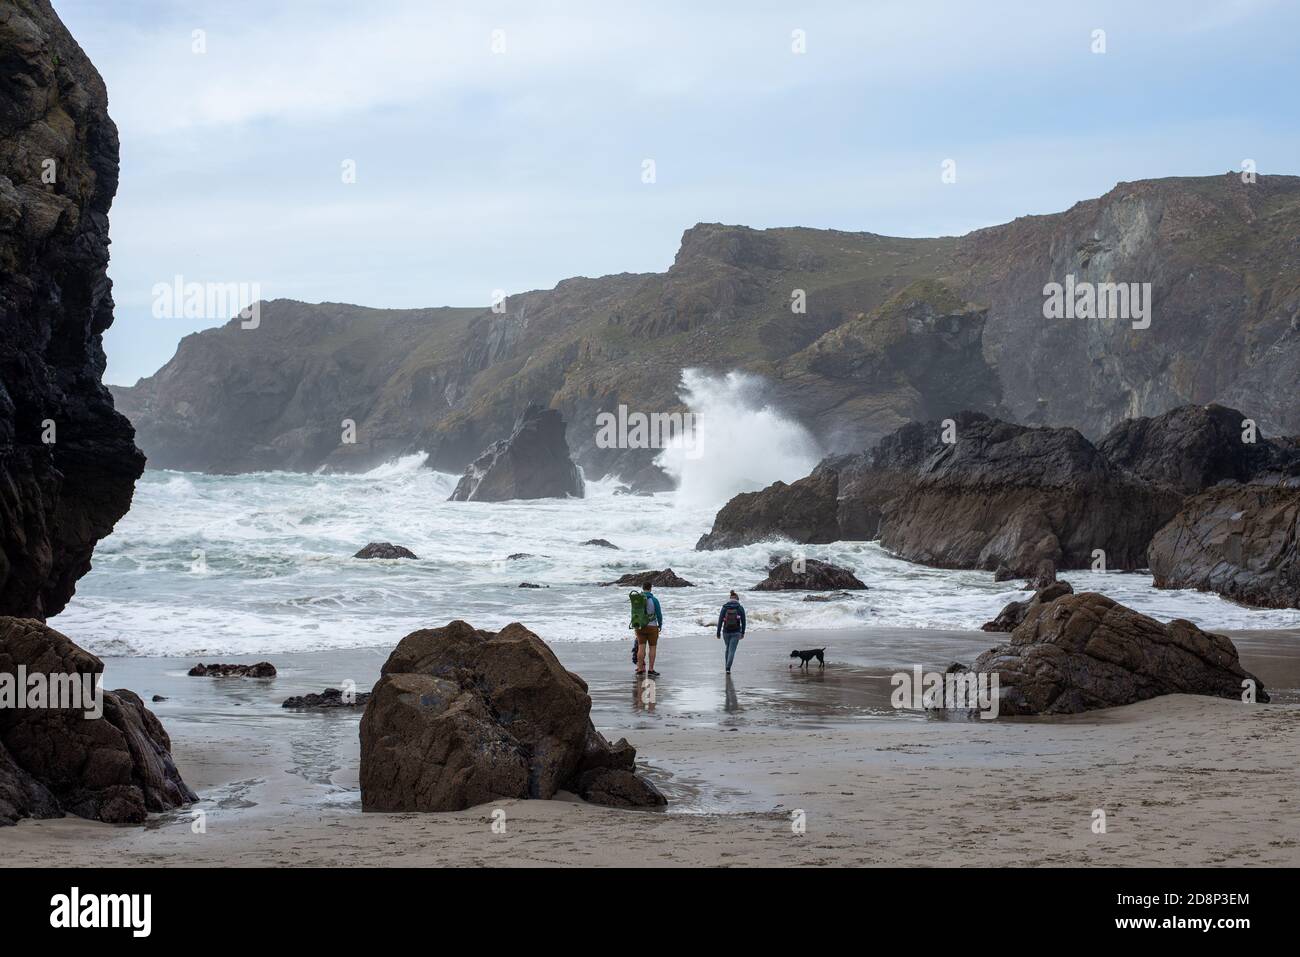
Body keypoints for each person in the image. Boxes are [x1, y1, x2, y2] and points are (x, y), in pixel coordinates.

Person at [630, 581, 663, 677]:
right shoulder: (654, 600)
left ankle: (640, 668)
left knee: (641, 647)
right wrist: (660, 625)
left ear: (642, 588)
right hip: (652, 627)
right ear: (651, 588)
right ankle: (651, 669)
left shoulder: (637, 600)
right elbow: (659, 614)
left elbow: (634, 612)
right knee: (652, 648)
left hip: (640, 626)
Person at [716, 590, 746, 673]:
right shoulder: (740, 607)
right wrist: (742, 632)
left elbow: (720, 620)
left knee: (728, 649)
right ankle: (728, 668)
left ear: (730, 598)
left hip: (725, 632)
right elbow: (743, 621)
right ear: (737, 599)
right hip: (736, 632)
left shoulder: (725, 607)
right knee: (732, 650)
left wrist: (718, 633)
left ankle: (727, 667)